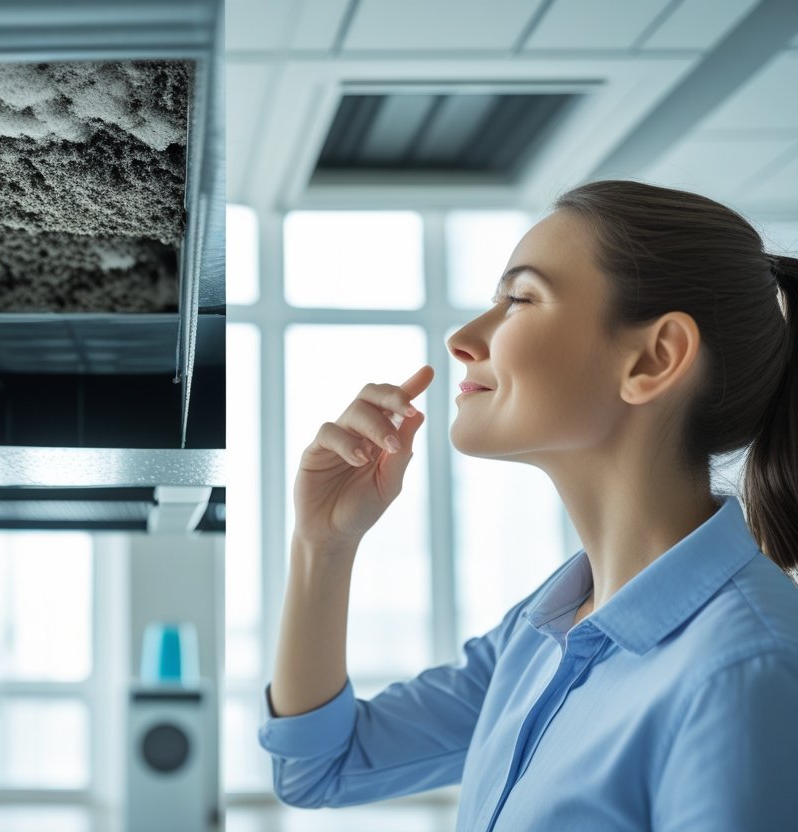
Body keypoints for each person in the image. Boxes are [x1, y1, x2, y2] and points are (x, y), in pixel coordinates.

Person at [258, 180, 798, 831]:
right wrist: (323, 544)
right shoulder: (542, 631)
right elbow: (320, 767)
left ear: (655, 358)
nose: (462, 338)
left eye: (519, 299)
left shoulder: (746, 673)